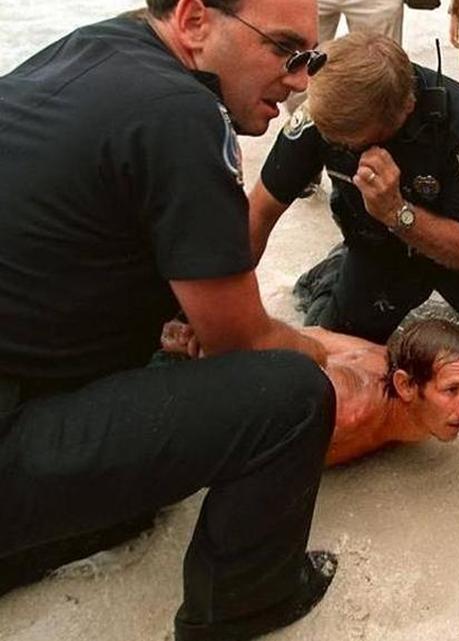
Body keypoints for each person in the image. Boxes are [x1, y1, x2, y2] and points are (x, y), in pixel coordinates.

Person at [0, 0, 344, 637]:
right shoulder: (183, 109)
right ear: (193, 21)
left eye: (312, 60)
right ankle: (247, 606)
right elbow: (243, 340)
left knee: (139, 501)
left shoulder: (94, 48)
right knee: (291, 396)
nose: (301, 80)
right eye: (287, 51)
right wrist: (328, 354)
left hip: (26, 370)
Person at [250, 32, 459, 362]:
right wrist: (223, 312)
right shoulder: (324, 114)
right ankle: (333, 271)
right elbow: (258, 213)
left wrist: (396, 212)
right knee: (331, 356)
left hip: (455, 251)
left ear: (406, 108)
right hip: (377, 250)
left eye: (352, 141)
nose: (341, 145)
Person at [164, 318, 459, 466]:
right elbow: (244, 404)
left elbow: (317, 336)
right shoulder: (345, 410)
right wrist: (202, 347)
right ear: (405, 386)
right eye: (453, 391)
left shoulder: (389, 359)